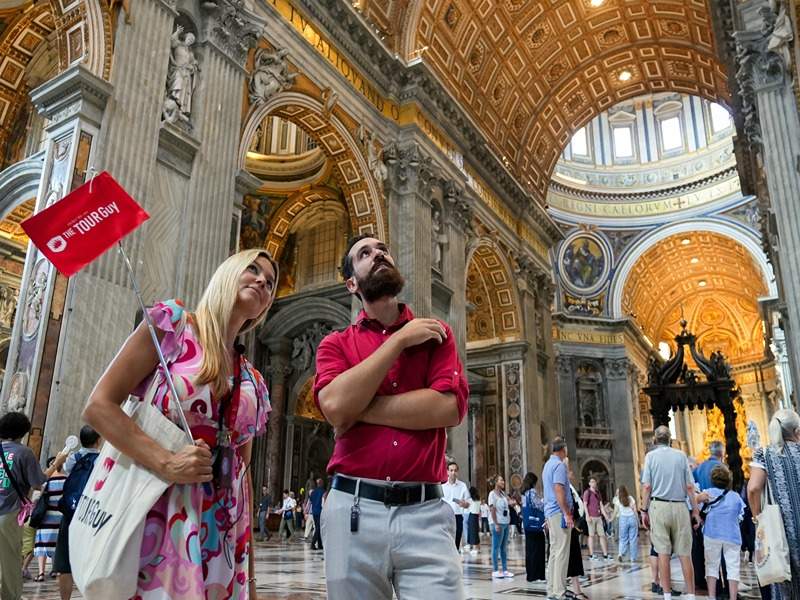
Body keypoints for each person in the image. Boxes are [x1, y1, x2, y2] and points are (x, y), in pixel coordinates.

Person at [82, 249, 277, 600]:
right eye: (253, 269)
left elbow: (242, 471)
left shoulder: (254, 380)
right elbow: (99, 406)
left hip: (221, 527)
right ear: (227, 274)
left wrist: (249, 569)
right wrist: (166, 462)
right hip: (155, 506)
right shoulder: (171, 326)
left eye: (271, 282)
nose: (263, 280)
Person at [314, 234, 469, 599]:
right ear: (352, 283)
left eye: (383, 248)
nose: (378, 254)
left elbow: (448, 408)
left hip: (425, 512)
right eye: (365, 254)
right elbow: (335, 407)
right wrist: (397, 341)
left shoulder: (435, 334)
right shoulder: (334, 344)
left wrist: (359, 409)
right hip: (352, 510)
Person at [0, 411, 65, 600]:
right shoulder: (23, 452)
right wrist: (57, 464)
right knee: (10, 560)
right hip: (7, 514)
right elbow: (39, 482)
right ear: (23, 432)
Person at [640, 425, 700, 600]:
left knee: (663, 553)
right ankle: (691, 595)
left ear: (655, 439)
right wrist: (695, 510)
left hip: (659, 507)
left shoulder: (650, 456)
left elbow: (647, 486)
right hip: (680, 506)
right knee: (684, 553)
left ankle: (667, 595)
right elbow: (690, 486)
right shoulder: (681, 456)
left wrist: (644, 510)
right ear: (670, 439)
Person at [748, 408, 800, 600]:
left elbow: (753, 488)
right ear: (797, 432)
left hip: (781, 529)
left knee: (785, 580)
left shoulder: (764, 454)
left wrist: (757, 518)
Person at [53, 424, 102, 600]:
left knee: (65, 563)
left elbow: (64, 471)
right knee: (92, 559)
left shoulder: (73, 458)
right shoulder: (102, 460)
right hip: (91, 513)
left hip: (70, 513)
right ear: (99, 440)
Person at [696, 464, 744, 600]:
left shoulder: (708, 493)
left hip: (712, 533)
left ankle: (712, 596)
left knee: (711, 565)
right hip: (732, 535)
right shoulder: (735, 497)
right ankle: (733, 597)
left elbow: (694, 501)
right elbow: (740, 515)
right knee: (733, 566)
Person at [543, 437, 573, 600]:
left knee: (554, 551)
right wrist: (567, 513)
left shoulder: (547, 465)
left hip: (550, 512)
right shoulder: (560, 465)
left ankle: (552, 589)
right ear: (563, 450)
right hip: (558, 512)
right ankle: (560, 592)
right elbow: (559, 489)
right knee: (561, 552)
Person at [33, 456, 66, 581]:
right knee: (57, 544)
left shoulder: (47, 482)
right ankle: (54, 570)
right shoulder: (67, 481)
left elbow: (38, 497)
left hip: (46, 516)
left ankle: (41, 573)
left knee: (42, 544)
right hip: (61, 516)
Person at [566, 459, 588, 600]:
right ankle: (570, 590)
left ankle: (576, 589)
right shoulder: (564, 486)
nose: (572, 472)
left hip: (573, 525)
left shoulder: (570, 486)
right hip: (569, 525)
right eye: (569, 470)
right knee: (570, 558)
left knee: (574, 558)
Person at [521, 472, 545, 582]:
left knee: (530, 550)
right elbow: (538, 505)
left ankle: (530, 575)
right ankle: (538, 575)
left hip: (527, 524)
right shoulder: (532, 492)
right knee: (538, 549)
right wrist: (545, 502)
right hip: (536, 524)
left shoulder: (523, 493)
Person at [488, 475, 513, 579]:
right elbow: (492, 509)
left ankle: (505, 569)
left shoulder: (503, 494)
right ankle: (495, 570)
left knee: (504, 548)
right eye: (501, 480)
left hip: (505, 522)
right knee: (496, 547)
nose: (503, 482)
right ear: (496, 482)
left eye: (503, 480)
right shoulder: (492, 494)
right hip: (497, 523)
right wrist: (496, 523)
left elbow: (509, 503)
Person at [442, 461, 471, 551]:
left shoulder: (462, 486)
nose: (453, 473)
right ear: (447, 472)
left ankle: (455, 559)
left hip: (458, 516)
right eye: (451, 470)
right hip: (446, 517)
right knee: (446, 540)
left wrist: (465, 504)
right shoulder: (442, 486)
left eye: (455, 470)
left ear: (457, 472)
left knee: (457, 541)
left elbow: (468, 502)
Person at [583, 477, 610, 560]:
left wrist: (605, 516)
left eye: (594, 481)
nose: (593, 483)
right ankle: (591, 555)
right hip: (591, 516)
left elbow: (601, 505)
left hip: (598, 517)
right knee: (591, 535)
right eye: (592, 482)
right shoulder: (587, 492)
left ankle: (605, 554)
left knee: (602, 535)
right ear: (589, 483)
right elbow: (585, 504)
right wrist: (587, 515)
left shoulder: (598, 493)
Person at [612, 485, 638, 562]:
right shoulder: (630, 498)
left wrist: (610, 519)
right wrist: (638, 521)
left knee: (623, 538)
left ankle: (621, 553)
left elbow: (615, 512)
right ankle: (633, 558)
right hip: (632, 518)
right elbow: (635, 510)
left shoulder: (617, 500)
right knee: (633, 539)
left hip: (623, 519)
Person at [309, 478, 325, 551]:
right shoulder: (323, 492)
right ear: (321, 483)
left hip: (314, 512)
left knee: (318, 527)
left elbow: (311, 501)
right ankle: (313, 543)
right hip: (320, 511)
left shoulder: (313, 492)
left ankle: (320, 544)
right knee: (318, 528)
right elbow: (324, 502)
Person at [465, 486, 481, 554]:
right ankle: (475, 546)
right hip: (476, 516)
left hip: (472, 515)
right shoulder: (478, 499)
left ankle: (474, 548)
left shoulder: (470, 499)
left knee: (472, 531)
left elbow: (465, 505)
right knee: (474, 531)